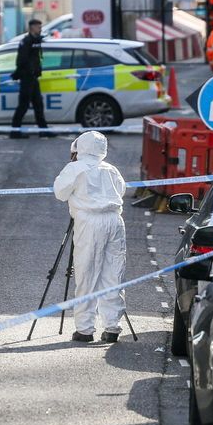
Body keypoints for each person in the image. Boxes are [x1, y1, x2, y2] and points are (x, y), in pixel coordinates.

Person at [54, 131, 127, 343]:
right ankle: (112, 327)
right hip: (114, 221)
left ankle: (85, 330)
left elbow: (60, 193)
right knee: (113, 273)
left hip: (90, 222)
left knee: (87, 273)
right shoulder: (111, 169)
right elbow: (120, 191)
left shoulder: (75, 168)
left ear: (80, 148)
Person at [10, 19, 48, 137]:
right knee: (23, 105)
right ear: (32, 27)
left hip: (33, 77)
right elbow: (21, 60)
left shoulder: (35, 41)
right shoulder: (26, 42)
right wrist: (20, 73)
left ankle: (44, 131)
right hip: (27, 78)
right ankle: (15, 131)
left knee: (38, 104)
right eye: (38, 27)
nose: (40, 29)